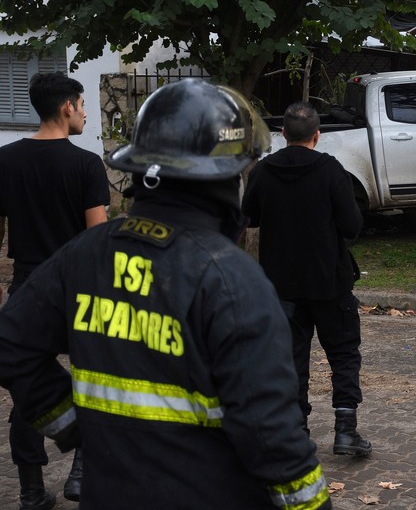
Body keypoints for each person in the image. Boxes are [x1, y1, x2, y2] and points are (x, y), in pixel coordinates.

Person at [0, 79, 331, 509]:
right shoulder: (231, 279)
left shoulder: (84, 255)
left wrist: (74, 425)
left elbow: (11, 346)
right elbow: (271, 436)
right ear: (228, 176)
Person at [0, 72, 110, 508]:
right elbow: (97, 238)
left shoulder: (5, 161)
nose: (85, 112)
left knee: (29, 385)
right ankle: (81, 473)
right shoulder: (85, 165)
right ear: (67, 107)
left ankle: (29, 490)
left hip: (28, 286)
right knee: (95, 379)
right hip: (78, 283)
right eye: (82, 105)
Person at [242, 101, 372, 458]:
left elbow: (249, 217)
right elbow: (352, 225)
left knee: (290, 359)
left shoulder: (263, 171)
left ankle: (297, 432)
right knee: (344, 354)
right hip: (329, 280)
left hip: (281, 284)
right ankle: (346, 430)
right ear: (318, 134)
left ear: (283, 133)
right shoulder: (332, 171)